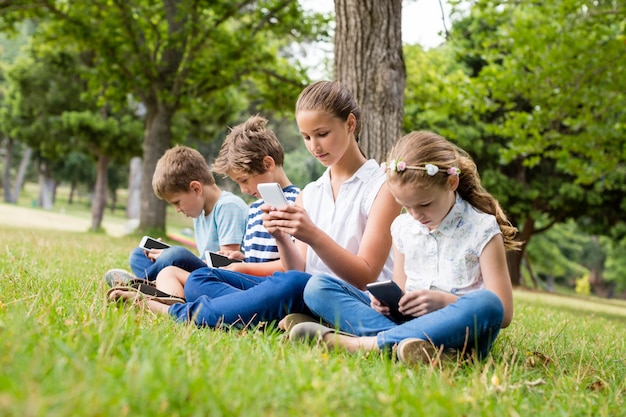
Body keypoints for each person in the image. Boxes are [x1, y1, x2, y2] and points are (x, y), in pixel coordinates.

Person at [108, 80, 402, 330]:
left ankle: (173, 310)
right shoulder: (312, 192)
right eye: (306, 137)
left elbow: (365, 274)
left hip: (342, 297)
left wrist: (312, 235)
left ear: (350, 124)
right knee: (200, 277)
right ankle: (265, 315)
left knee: (296, 285)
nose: (314, 146)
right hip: (300, 287)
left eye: (322, 134)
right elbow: (295, 266)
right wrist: (280, 237)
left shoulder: (381, 187)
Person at [289, 130, 521, 366]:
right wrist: (385, 305)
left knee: (487, 303)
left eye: (424, 204)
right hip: (405, 324)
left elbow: (503, 313)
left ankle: (364, 344)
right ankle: (424, 351)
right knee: (317, 286)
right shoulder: (403, 227)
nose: (415, 215)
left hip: (462, 333)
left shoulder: (482, 228)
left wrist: (442, 302)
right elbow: (400, 289)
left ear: (452, 183)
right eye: (406, 206)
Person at [106, 145, 249, 285]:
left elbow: (227, 265)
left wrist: (170, 256)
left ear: (195, 188)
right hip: (202, 272)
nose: (177, 209)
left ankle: (141, 284)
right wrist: (164, 255)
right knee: (138, 255)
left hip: (220, 278)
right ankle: (156, 283)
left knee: (176, 255)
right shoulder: (200, 212)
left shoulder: (228, 206)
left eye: (177, 202)